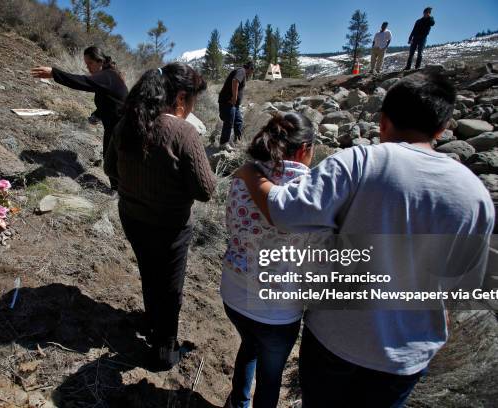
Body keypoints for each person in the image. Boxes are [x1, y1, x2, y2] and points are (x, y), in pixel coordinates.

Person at [235, 73, 494, 407]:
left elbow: (283, 212)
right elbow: (462, 288)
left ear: (383, 121)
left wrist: (253, 174)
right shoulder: (475, 195)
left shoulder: (359, 163)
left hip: (336, 338)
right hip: (406, 355)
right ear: (441, 128)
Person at [104, 62, 216, 370]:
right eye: (192, 101)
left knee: (149, 272)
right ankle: (165, 350)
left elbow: (110, 169)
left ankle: (152, 321)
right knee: (170, 287)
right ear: (181, 98)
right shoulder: (183, 132)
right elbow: (205, 190)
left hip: (132, 216)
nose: (192, 107)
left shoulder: (128, 122)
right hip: (170, 227)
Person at [221, 113, 328, 408]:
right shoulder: (315, 189)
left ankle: (238, 402)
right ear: (305, 148)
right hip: (277, 310)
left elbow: (231, 225)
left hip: (233, 292)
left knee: (249, 344)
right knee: (271, 376)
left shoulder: (246, 176)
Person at [31, 46, 128, 191]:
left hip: (124, 129)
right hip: (114, 127)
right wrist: (97, 115)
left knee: (116, 164)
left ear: (99, 61)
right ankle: (117, 192)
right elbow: (110, 102)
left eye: (89, 63)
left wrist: (55, 73)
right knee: (111, 163)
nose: (87, 67)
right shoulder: (107, 77)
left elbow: (83, 82)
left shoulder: (108, 75)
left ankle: (123, 194)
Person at [218, 61, 255, 151]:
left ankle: (237, 141)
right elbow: (235, 81)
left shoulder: (242, 72)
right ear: (250, 68)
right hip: (228, 102)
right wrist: (234, 97)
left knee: (238, 121)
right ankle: (224, 143)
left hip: (234, 105)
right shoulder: (241, 71)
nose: (251, 74)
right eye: (252, 71)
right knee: (229, 121)